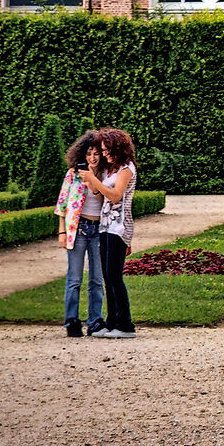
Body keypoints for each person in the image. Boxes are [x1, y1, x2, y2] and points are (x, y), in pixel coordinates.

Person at [82, 128, 137, 338]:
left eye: (106, 150)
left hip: (120, 226)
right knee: (108, 276)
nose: (103, 153)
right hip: (105, 225)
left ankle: (125, 324)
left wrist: (95, 182)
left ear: (117, 148)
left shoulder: (126, 169)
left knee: (114, 276)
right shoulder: (110, 170)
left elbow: (115, 196)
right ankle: (112, 321)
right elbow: (103, 198)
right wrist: (93, 184)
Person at [57, 131, 104, 338]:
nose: (92, 158)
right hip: (78, 230)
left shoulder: (104, 175)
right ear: (82, 155)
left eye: (96, 154)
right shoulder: (72, 174)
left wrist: (93, 182)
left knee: (97, 279)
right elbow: (63, 204)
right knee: (74, 278)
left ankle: (95, 320)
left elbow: (108, 202)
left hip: (99, 230)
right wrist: (61, 231)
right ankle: (72, 321)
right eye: (88, 154)